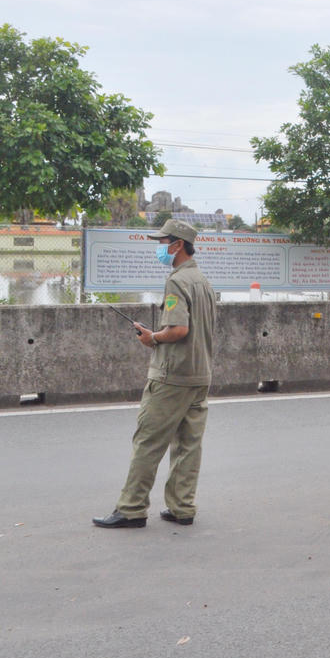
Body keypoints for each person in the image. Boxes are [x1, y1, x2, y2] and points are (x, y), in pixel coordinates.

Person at [93, 218, 217, 528]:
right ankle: (182, 507)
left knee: (148, 442)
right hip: (199, 374)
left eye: (163, 243)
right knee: (188, 445)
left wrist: (153, 338)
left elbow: (178, 329)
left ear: (177, 246)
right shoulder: (202, 280)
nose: (160, 248)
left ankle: (132, 508)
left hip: (172, 376)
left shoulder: (177, 281)